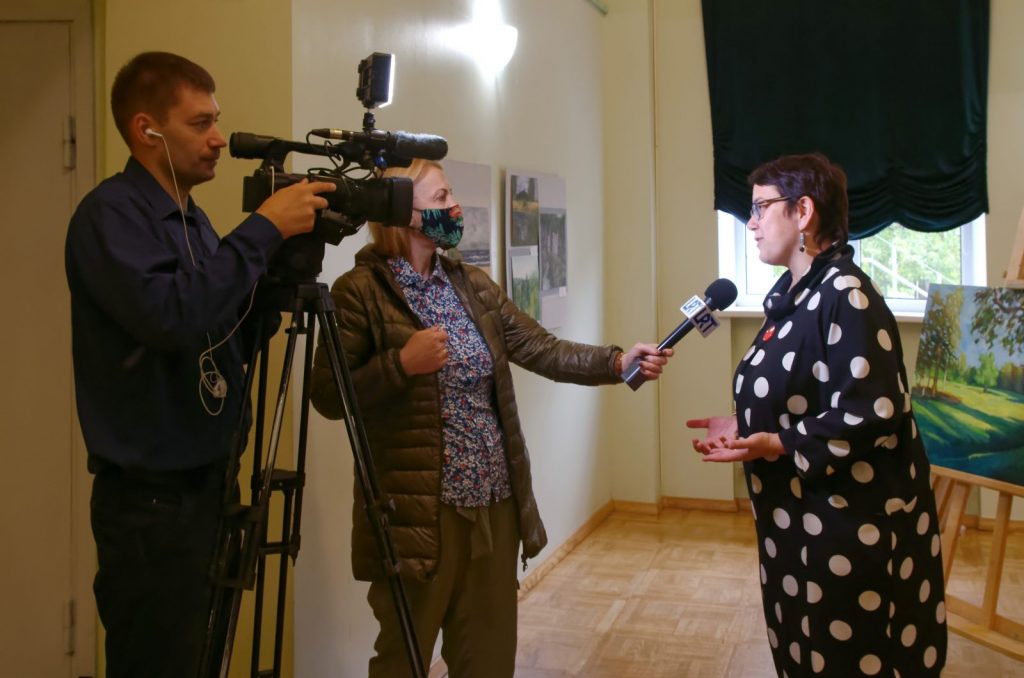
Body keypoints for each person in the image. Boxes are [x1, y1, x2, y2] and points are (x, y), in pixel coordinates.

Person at [309, 158, 672, 677]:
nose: (455, 206)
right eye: (441, 198)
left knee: (488, 657)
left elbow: (541, 348)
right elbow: (328, 395)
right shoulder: (359, 292)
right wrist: (400, 363)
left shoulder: (470, 285)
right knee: (402, 661)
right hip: (420, 514)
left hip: (494, 502)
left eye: (451, 193)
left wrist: (616, 362)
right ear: (402, 213)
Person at [65, 51, 334, 677]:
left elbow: (220, 337)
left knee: (202, 660)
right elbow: (170, 317)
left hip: (210, 487)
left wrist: (275, 274)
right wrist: (262, 230)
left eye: (216, 121)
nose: (218, 139)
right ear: (146, 130)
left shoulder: (193, 222)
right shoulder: (111, 216)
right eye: (200, 123)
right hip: (153, 507)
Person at [687, 152, 947, 676]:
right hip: (796, 523)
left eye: (760, 208)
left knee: (848, 654)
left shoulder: (846, 294)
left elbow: (872, 411)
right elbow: (801, 396)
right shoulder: (793, 295)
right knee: (803, 648)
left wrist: (777, 443)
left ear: (803, 211)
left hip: (848, 527)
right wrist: (745, 425)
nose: (751, 224)